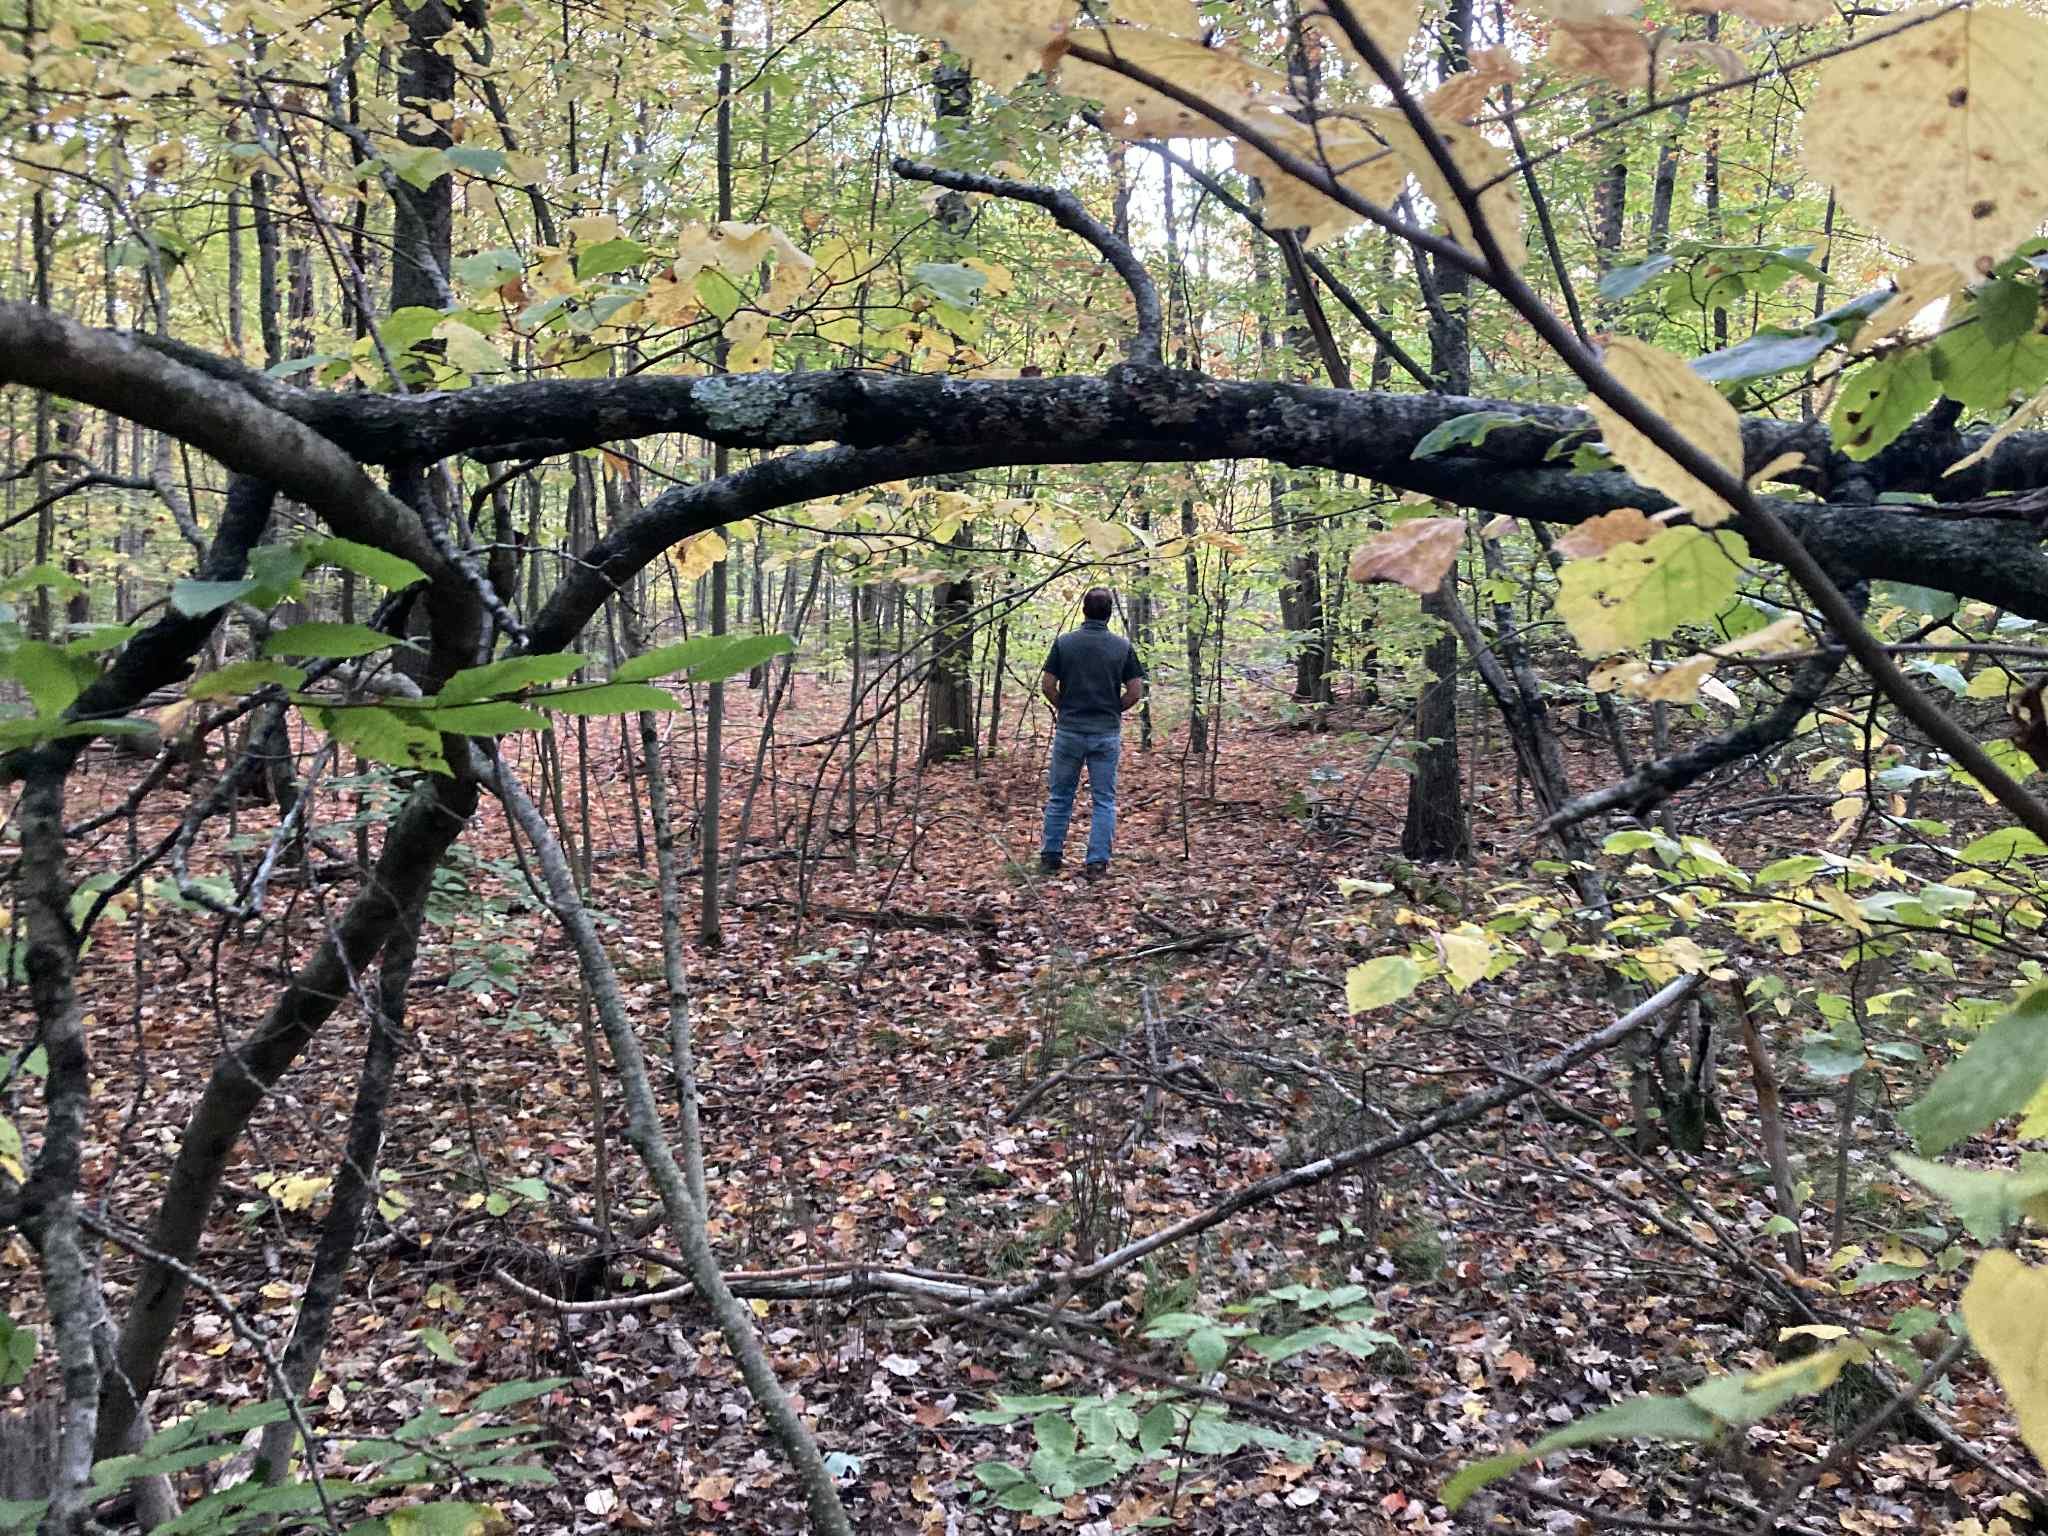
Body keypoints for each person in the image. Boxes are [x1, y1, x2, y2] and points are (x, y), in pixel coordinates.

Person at [1039, 587, 1145, 881]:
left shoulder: (1065, 643)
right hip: (1105, 733)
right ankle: (1097, 862)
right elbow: (1135, 691)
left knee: (1060, 795)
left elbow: (1048, 685)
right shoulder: (1121, 647)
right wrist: (1113, 710)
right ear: (1110, 613)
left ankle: (1050, 857)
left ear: (1084, 610)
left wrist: (1066, 707)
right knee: (1104, 800)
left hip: (1070, 730)